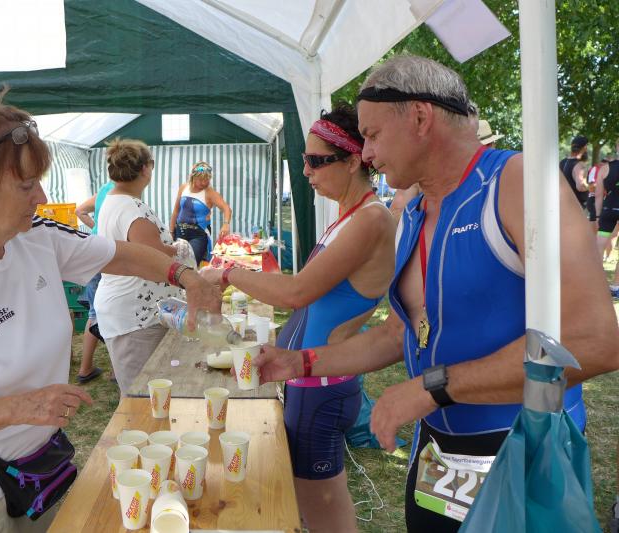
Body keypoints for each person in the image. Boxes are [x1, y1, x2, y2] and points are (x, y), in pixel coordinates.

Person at [253, 55, 619, 532]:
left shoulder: (516, 182)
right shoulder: (414, 213)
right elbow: (399, 333)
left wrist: (433, 388)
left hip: (523, 448)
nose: (366, 154)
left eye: (372, 134)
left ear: (421, 117)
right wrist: (300, 363)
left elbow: (593, 341)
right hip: (439, 455)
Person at [0, 96, 218, 532]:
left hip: (36, 465)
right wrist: (24, 406)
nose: (41, 197)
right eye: (26, 186)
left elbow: (121, 254)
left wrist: (186, 277)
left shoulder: (35, 234)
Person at [202, 103, 395, 532]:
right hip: (309, 380)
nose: (305, 171)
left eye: (315, 161)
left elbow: (297, 293)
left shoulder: (370, 219)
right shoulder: (346, 216)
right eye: (304, 160)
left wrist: (228, 273)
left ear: (352, 161)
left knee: (324, 514)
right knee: (311, 508)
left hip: (322, 387)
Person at [94, 138, 195, 395]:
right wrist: (177, 248)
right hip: (136, 317)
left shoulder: (114, 201)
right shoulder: (132, 208)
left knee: (145, 393)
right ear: (145, 169)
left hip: (131, 312)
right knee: (141, 395)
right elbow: (153, 258)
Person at [72, 181, 115, 383]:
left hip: (95, 250)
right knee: (113, 311)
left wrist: (97, 229)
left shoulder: (105, 189)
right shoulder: (121, 192)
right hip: (110, 254)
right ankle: (116, 370)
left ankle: (85, 368)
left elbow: (80, 211)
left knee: (94, 312)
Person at [169, 161, 232, 264]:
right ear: (193, 177)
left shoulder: (210, 192)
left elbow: (227, 208)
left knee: (190, 263)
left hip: (198, 235)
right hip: (179, 232)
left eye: (207, 180)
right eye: (201, 179)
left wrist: (226, 224)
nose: (204, 183)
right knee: (176, 263)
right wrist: (171, 232)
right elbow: (176, 211)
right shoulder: (183, 188)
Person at [595, 144, 619, 298]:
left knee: (598, 248)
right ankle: (616, 286)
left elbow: (598, 195)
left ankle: (595, 283)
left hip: (608, 210)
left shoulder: (605, 168)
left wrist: (597, 216)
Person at [560, 134, 590, 210]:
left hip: (562, 204)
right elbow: (581, 187)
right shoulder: (579, 165)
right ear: (584, 148)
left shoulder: (562, 162)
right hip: (576, 206)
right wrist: (593, 187)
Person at [587, 156, 609, 235]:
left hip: (604, 200)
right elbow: (591, 186)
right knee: (594, 224)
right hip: (593, 199)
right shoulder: (595, 169)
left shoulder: (607, 171)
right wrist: (603, 187)